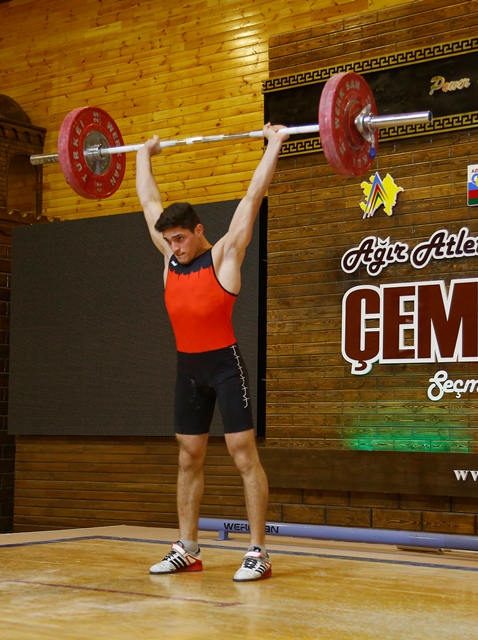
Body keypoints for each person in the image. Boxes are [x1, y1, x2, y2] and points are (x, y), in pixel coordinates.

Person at [137, 123, 288, 582]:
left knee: (243, 453)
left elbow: (253, 197)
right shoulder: (170, 258)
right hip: (188, 370)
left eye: (180, 238)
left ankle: (258, 551)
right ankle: (187, 548)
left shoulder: (224, 255)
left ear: (198, 231)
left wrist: (274, 144)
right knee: (188, 456)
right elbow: (148, 201)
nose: (173, 247)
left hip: (224, 366)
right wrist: (144, 154)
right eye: (168, 240)